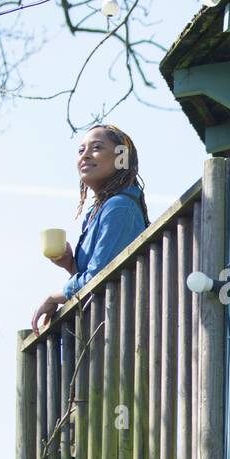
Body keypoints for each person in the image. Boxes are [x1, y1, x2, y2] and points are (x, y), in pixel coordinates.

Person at [31, 124, 150, 334]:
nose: (85, 155)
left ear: (121, 157)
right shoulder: (97, 212)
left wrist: (53, 297)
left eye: (96, 147)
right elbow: (98, 281)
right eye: (80, 150)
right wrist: (70, 265)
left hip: (121, 331)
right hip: (104, 329)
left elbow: (98, 277)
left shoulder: (119, 207)